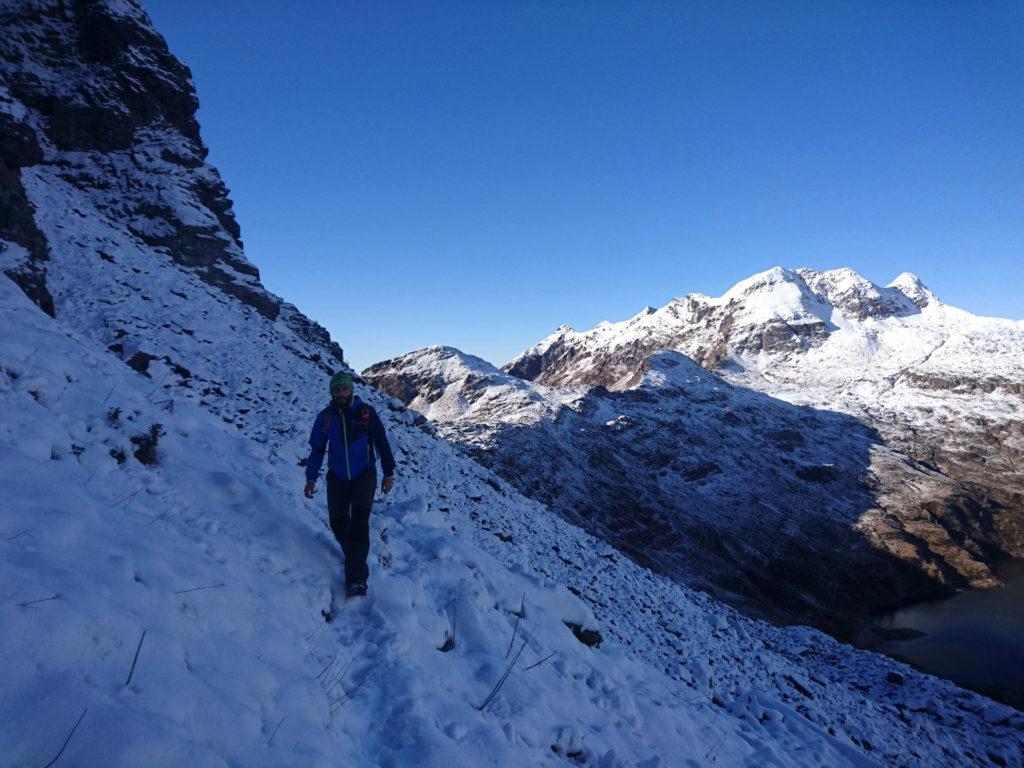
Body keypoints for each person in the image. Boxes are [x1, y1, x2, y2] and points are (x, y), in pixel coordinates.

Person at [304, 372, 395, 597]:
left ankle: (357, 579)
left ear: (351, 390)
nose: (341, 393)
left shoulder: (366, 413)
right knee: (337, 523)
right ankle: (354, 556)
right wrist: (310, 477)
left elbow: (382, 442)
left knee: (359, 524)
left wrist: (388, 473)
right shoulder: (325, 418)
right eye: (337, 390)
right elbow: (317, 449)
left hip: (364, 475)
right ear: (332, 392)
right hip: (337, 477)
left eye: (345, 389)